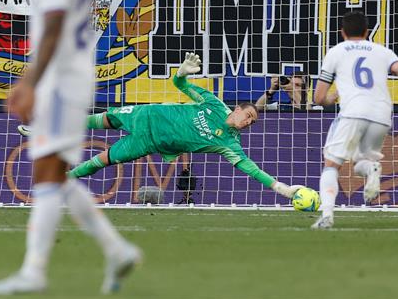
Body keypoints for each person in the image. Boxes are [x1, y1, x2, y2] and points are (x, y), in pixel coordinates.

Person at [0, 0, 141, 296]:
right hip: (77, 78)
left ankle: (34, 270)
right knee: (55, 175)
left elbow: (53, 29)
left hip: (58, 81)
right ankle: (116, 248)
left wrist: (29, 83)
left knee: (45, 174)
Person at [19, 53, 305, 200]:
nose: (248, 123)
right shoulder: (214, 103)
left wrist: (281, 188)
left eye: (252, 122)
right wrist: (181, 72)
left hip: (149, 143)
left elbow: (250, 169)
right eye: (248, 116)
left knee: (104, 159)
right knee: (100, 120)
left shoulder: (229, 144)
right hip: (147, 115)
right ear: (237, 109)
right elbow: (180, 84)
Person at [311, 11, 398, 229]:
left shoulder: (336, 52)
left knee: (331, 165)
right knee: (362, 162)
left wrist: (331, 98)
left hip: (352, 112)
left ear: (342, 33)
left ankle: (326, 216)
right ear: (367, 32)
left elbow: (318, 98)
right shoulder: (382, 51)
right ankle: (372, 170)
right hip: (381, 115)